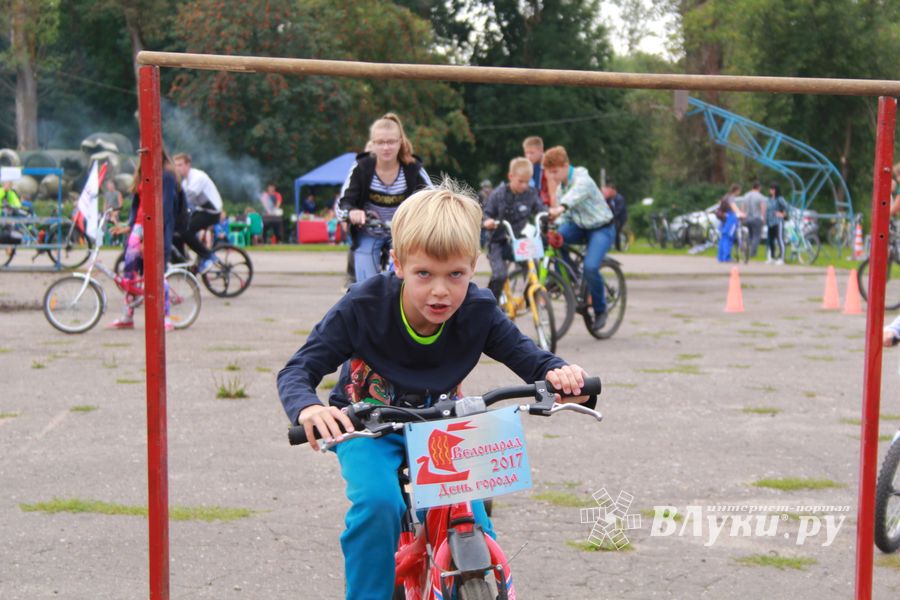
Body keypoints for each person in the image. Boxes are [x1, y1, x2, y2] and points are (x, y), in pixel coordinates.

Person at [277, 182, 594, 600]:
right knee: (378, 506)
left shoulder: (478, 311)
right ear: (397, 264)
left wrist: (562, 375)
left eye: (456, 275)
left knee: (475, 518)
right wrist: (308, 409)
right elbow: (298, 369)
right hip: (368, 427)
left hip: (441, 431)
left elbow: (531, 357)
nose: (441, 291)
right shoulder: (363, 307)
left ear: (473, 267)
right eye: (424, 274)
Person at [339, 113, 431, 282]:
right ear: (372, 144)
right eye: (380, 142)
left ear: (400, 142)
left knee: (408, 277)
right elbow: (343, 203)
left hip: (403, 235)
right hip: (369, 231)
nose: (386, 148)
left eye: (391, 142)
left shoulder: (413, 169)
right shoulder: (361, 167)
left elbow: (432, 200)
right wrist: (351, 212)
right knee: (365, 285)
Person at [108, 152, 186, 330]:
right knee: (129, 272)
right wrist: (129, 225)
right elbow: (137, 203)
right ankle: (127, 315)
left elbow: (165, 209)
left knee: (157, 273)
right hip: (138, 227)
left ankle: (165, 316)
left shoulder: (166, 175)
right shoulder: (142, 173)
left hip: (157, 228)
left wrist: (150, 238)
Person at [543, 146, 616, 333]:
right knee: (555, 239)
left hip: (601, 228)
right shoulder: (561, 189)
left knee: (591, 268)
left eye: (555, 171)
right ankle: (569, 278)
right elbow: (566, 217)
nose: (553, 176)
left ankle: (600, 310)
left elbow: (574, 197)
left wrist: (560, 208)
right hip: (580, 227)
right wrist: (555, 222)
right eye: (550, 173)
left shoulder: (583, 179)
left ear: (566, 165)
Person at [482, 157, 545, 301]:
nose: (524, 185)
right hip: (497, 242)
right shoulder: (498, 194)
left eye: (527, 181)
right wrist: (488, 221)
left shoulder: (531, 193)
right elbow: (486, 213)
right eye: (521, 181)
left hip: (518, 241)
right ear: (511, 177)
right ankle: (491, 303)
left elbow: (540, 209)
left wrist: (548, 214)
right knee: (500, 275)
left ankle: (530, 299)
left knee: (531, 268)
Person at [173, 153, 222, 274]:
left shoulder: (197, 177)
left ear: (188, 165)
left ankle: (208, 256)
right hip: (201, 211)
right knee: (177, 231)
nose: (177, 168)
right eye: (176, 165)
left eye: (180, 165)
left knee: (186, 230)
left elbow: (188, 197)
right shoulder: (185, 181)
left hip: (212, 213)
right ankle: (183, 261)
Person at [716, 184, 745, 263]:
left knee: (723, 237)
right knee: (729, 237)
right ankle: (726, 257)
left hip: (724, 219)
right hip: (730, 219)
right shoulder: (731, 198)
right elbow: (734, 208)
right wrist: (741, 214)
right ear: (737, 190)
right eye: (739, 191)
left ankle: (721, 257)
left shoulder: (726, 196)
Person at [740, 180, 767, 258]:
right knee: (756, 236)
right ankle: (752, 252)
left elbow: (742, 206)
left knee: (750, 236)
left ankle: (746, 249)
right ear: (759, 187)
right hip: (756, 218)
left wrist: (743, 215)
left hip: (747, 218)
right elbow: (763, 208)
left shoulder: (746, 195)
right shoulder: (760, 196)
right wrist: (763, 218)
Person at [522, 135, 551, 206]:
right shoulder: (527, 166)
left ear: (541, 151)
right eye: (526, 153)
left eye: (531, 153)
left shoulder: (551, 165)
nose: (528, 156)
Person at [765, 183, 790, 265]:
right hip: (770, 222)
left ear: (775, 190)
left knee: (780, 239)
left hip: (778, 221)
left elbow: (787, 207)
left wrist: (782, 214)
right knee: (770, 240)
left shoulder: (779, 199)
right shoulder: (769, 199)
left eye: (772, 189)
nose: (770, 190)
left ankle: (781, 258)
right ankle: (771, 257)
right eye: (770, 189)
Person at [602, 181, 627, 252]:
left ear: (614, 190)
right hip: (612, 217)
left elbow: (619, 210)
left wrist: (611, 217)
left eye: (609, 190)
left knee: (616, 229)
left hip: (620, 218)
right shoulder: (609, 199)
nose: (608, 192)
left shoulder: (620, 198)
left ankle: (618, 248)